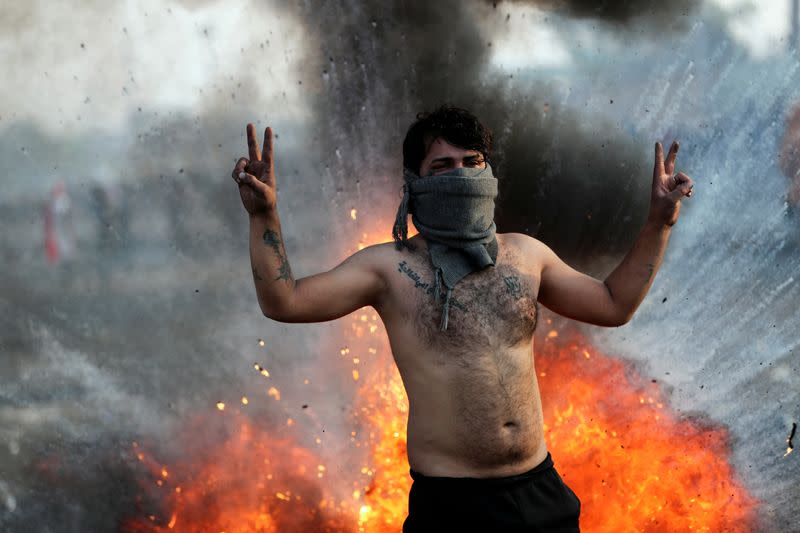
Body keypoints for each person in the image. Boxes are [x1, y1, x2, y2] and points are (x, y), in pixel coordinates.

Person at [230, 106, 694, 531]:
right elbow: (284, 301)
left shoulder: (526, 255)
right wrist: (264, 215)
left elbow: (613, 303)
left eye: (472, 163)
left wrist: (660, 222)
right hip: (452, 507)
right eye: (442, 167)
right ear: (415, 183)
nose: (462, 176)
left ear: (488, 171)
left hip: (541, 493)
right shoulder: (388, 268)